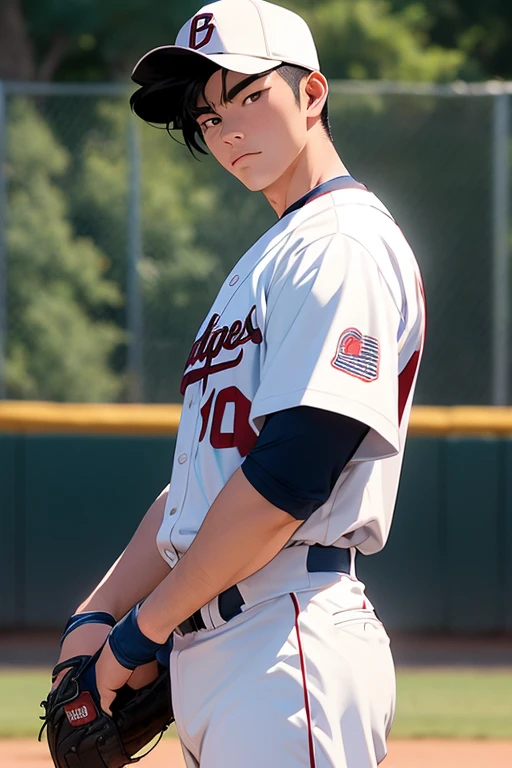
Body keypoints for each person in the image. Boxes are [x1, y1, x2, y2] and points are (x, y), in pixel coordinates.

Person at [52, 1, 426, 766]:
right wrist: (99, 610)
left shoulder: (341, 244)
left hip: (285, 636)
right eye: (206, 114)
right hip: (226, 646)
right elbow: (201, 489)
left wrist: (135, 637)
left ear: (312, 94)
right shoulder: (268, 258)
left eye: (250, 95)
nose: (226, 129)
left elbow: (290, 474)